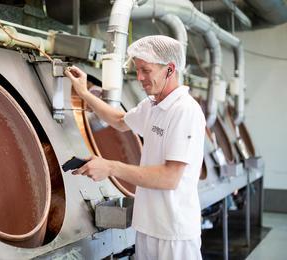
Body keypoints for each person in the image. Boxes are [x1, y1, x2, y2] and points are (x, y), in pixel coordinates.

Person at [64, 35, 205, 260]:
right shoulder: (153, 105)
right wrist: (83, 93)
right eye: (137, 70)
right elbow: (120, 120)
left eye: (146, 70)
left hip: (174, 234)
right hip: (148, 227)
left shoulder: (184, 111)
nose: (139, 77)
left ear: (170, 69)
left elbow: (170, 177)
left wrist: (111, 167)